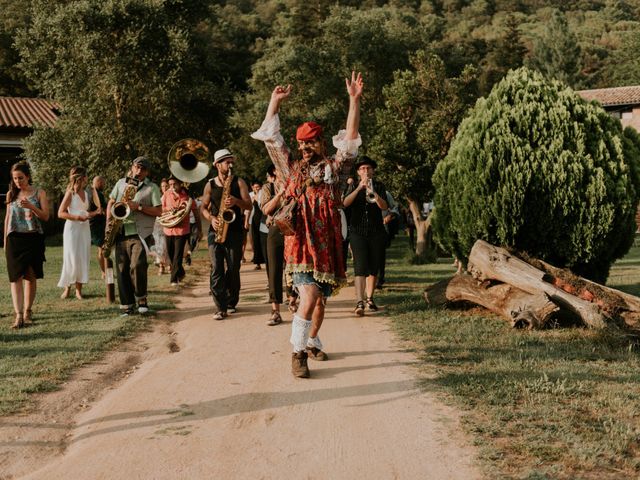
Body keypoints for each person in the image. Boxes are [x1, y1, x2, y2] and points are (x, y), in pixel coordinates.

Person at [251, 71, 363, 378]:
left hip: (327, 242)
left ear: (321, 143)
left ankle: (311, 339)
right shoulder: (291, 168)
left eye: (310, 143)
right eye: (302, 144)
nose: (305, 148)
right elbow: (273, 138)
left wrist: (354, 100)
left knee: (320, 303)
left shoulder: (336, 169)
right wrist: (274, 102)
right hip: (300, 241)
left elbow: (351, 142)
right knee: (310, 296)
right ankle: (297, 353)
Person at [200, 148, 252, 320]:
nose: (230, 165)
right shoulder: (210, 184)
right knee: (216, 268)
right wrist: (211, 218)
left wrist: (236, 201)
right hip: (215, 230)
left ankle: (231, 302)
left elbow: (249, 205)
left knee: (233, 268)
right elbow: (203, 208)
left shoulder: (239, 182)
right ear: (217, 164)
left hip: (235, 231)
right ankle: (220, 307)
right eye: (226, 162)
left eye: (231, 161)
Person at [106, 156, 162, 316]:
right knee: (122, 269)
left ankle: (142, 300)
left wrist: (139, 207)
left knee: (137, 266)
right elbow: (111, 201)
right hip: (120, 231)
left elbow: (159, 211)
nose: (139, 171)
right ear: (132, 167)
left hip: (140, 233)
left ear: (147, 172)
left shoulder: (152, 188)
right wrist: (108, 220)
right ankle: (127, 305)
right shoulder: (120, 183)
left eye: (143, 169)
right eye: (137, 167)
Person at [3, 161, 49, 328]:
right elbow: (8, 219)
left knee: (30, 276)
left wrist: (31, 206)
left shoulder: (39, 193)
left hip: (33, 239)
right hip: (14, 240)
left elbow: (45, 217)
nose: (17, 182)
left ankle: (28, 311)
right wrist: (5, 241)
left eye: (20, 178)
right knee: (15, 278)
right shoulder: (11, 195)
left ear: (28, 176)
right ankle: (18, 316)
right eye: (15, 178)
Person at [343, 156, 388, 316]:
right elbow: (345, 203)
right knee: (360, 267)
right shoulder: (353, 185)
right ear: (358, 172)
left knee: (373, 268)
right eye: (362, 169)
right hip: (357, 232)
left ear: (373, 171)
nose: (366, 171)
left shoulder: (380, 186)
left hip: (376, 231)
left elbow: (384, 206)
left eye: (368, 168)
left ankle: (370, 298)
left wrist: (373, 192)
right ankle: (359, 301)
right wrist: (358, 189)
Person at [259, 164, 298, 326]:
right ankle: (275, 311)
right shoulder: (268, 187)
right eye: (278, 169)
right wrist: (280, 193)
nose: (281, 171)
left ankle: (293, 301)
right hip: (275, 229)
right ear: (274, 172)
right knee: (274, 269)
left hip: (293, 229)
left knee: (294, 267)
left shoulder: (296, 184)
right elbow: (266, 209)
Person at [57, 166, 96, 299]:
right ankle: (67, 288)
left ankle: (79, 290)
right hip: (72, 229)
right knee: (71, 257)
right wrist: (76, 217)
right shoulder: (70, 193)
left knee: (82, 257)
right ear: (82, 178)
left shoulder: (86, 194)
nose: (87, 179)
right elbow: (60, 213)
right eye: (86, 176)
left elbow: (84, 212)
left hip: (84, 229)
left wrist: (95, 213)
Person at [161, 176, 199, 287]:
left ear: (180, 184)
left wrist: (199, 229)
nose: (172, 187)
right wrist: (168, 210)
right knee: (171, 254)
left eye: (174, 184)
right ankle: (181, 272)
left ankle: (174, 280)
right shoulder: (166, 194)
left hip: (182, 231)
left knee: (177, 256)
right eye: (170, 184)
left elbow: (196, 213)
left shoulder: (187, 196)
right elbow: (160, 208)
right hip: (168, 229)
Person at [376, 190, 400, 289]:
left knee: (380, 256)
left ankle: (379, 280)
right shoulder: (359, 190)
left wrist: (390, 216)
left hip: (381, 229)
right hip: (364, 230)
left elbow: (395, 207)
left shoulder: (385, 193)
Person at [88, 175, 108, 278]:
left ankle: (104, 272)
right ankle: (104, 272)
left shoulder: (88, 192)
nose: (104, 185)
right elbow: (104, 208)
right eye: (103, 183)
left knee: (102, 249)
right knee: (102, 249)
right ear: (99, 182)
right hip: (97, 225)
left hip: (96, 224)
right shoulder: (95, 194)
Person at [152, 178, 170, 275]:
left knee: (166, 245)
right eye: (162, 186)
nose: (164, 188)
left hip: (168, 223)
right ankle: (161, 266)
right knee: (159, 245)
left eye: (166, 186)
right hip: (158, 223)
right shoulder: (159, 197)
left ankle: (168, 265)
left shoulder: (171, 196)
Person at [248, 180, 265, 270]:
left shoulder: (264, 194)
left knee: (263, 240)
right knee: (255, 240)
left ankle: (266, 261)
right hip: (254, 220)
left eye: (258, 187)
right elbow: (248, 209)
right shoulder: (250, 195)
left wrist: (257, 198)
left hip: (262, 219)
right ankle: (258, 262)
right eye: (255, 187)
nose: (256, 189)